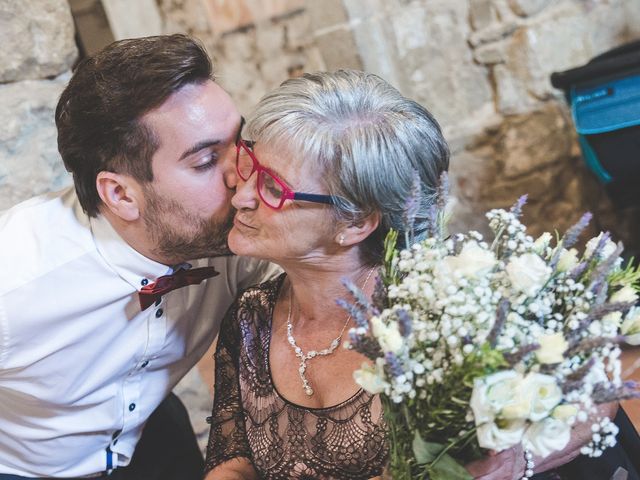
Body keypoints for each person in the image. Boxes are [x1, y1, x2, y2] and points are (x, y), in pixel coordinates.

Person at [202, 69, 635, 480]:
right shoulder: (250, 318)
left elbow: (593, 398)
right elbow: (232, 460)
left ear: (356, 222)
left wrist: (515, 459)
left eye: (273, 188)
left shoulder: (452, 297)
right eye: (249, 167)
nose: (240, 196)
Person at [0, 34, 277, 480]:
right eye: (206, 160)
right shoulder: (15, 279)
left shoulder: (235, 233)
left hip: (152, 434)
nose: (242, 177)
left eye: (238, 143)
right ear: (121, 194)